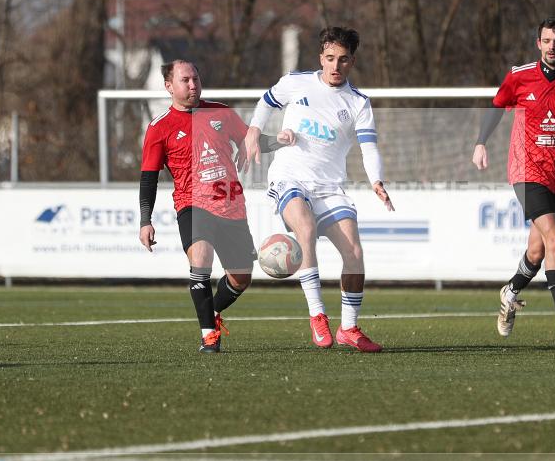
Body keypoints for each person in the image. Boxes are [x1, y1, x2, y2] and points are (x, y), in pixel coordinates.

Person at [243, 26, 394, 353]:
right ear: (320, 58)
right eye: (329, 58)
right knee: (306, 228)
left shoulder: (358, 103)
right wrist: (255, 130)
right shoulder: (296, 82)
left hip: (329, 186)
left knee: (354, 252)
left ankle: (349, 328)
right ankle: (317, 316)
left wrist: (376, 181)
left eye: (342, 60)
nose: (335, 66)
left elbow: (369, 148)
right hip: (289, 175)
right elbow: (267, 102)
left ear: (352, 61)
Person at [473, 16, 555, 343]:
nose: (552, 47)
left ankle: (510, 292)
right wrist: (481, 142)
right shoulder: (519, 77)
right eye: (547, 41)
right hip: (526, 170)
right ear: (538, 43)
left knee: (536, 251)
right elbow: (496, 108)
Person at [139, 60, 287, 354]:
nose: (193, 85)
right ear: (169, 86)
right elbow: (148, 178)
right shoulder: (159, 128)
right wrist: (146, 219)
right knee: (201, 258)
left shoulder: (220, 112)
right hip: (192, 204)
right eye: (185, 80)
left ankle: (213, 312)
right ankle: (209, 335)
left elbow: (251, 142)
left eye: (196, 78)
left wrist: (282, 140)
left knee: (241, 278)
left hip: (231, 205)